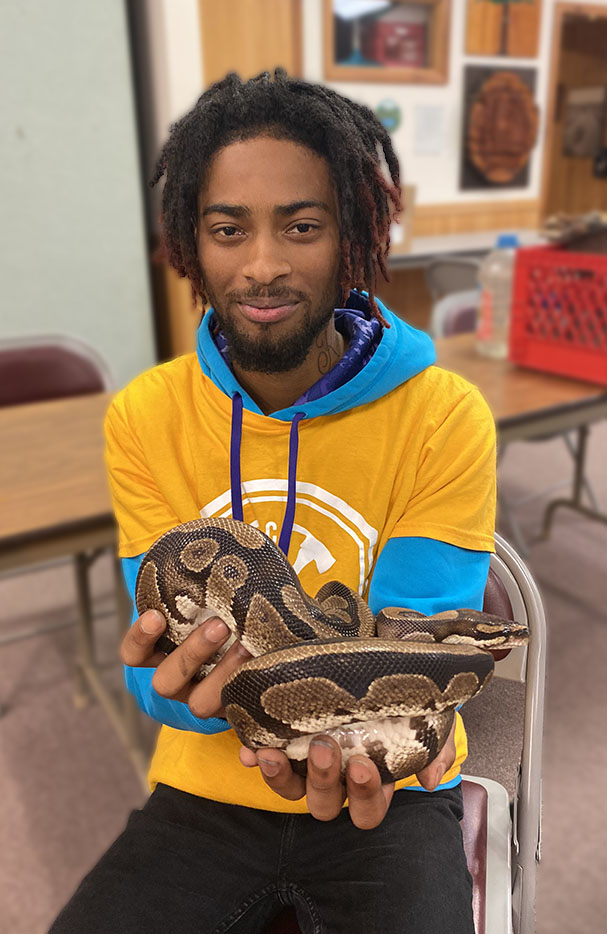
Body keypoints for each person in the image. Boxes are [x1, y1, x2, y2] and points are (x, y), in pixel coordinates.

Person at [51, 69, 496, 933]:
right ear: (190, 241)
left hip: (390, 789)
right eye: (227, 229)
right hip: (205, 784)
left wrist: (345, 719)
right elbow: (155, 668)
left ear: (354, 234)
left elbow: (418, 658)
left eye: (301, 225)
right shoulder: (145, 416)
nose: (261, 266)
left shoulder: (443, 415)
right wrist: (168, 687)